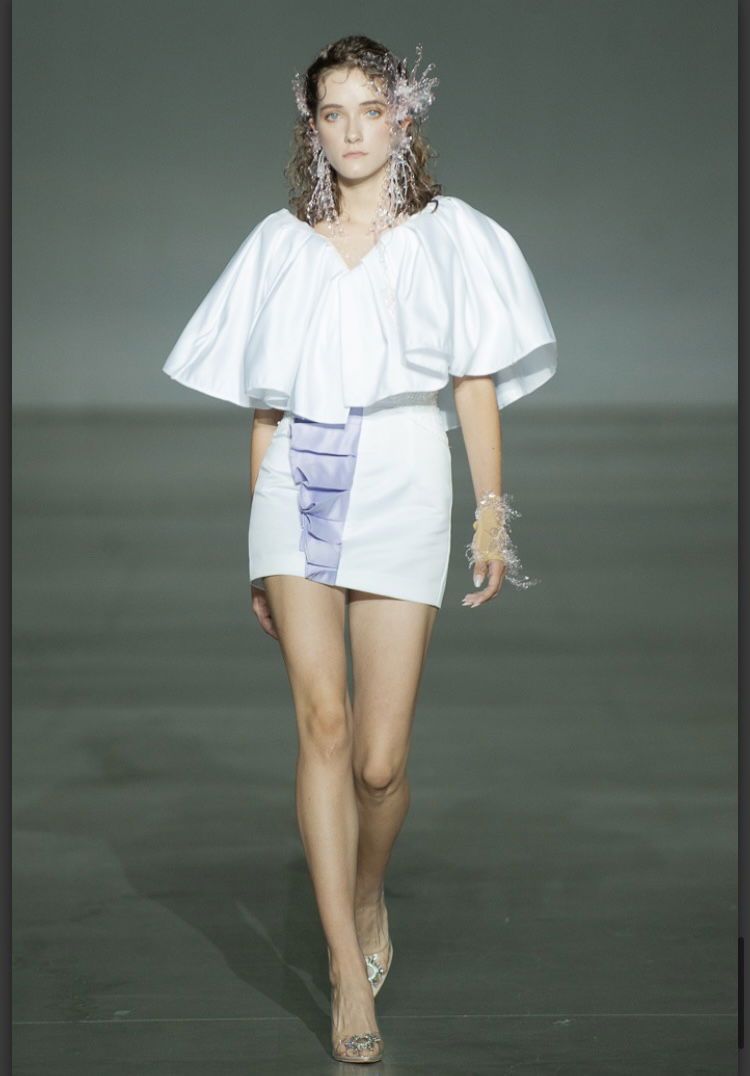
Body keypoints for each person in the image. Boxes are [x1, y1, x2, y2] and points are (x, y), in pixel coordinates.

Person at [162, 34, 557, 1065]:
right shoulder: (280, 245)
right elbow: (264, 407)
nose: (350, 132)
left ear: (402, 119)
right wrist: (257, 551)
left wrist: (490, 515)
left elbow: (473, 381)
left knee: (380, 763)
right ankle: (344, 962)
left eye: (368, 111)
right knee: (324, 724)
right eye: (331, 113)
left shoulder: (452, 237)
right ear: (314, 128)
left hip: (404, 472)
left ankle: (367, 890)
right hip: (297, 478)